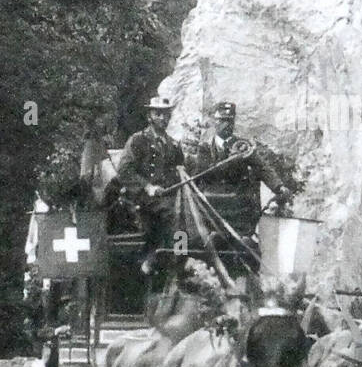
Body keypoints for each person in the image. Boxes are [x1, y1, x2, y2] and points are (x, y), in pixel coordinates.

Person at [187, 101, 295, 240]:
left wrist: (278, 187)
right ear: (215, 122)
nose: (226, 125)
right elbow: (205, 174)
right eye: (222, 121)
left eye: (229, 121)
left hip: (238, 204)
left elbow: (262, 167)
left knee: (244, 238)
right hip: (213, 202)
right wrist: (229, 161)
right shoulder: (206, 148)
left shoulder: (243, 146)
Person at [116, 96, 186, 277]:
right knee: (172, 215)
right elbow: (124, 171)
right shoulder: (138, 140)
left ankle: (182, 257)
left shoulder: (173, 145)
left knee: (187, 215)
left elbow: (181, 170)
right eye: (158, 114)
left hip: (169, 195)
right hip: (141, 198)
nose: (163, 118)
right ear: (150, 116)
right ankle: (165, 260)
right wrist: (147, 187)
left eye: (166, 114)